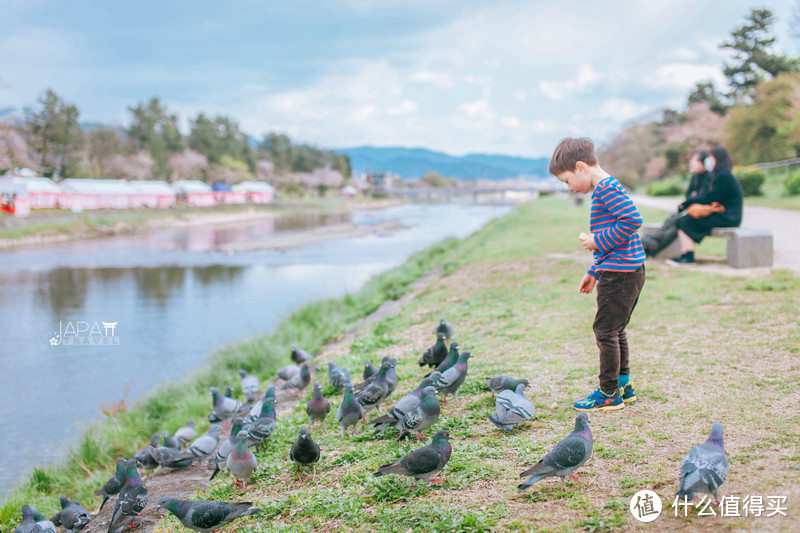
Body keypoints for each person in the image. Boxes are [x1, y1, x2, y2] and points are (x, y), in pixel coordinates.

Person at [549, 138, 646, 412]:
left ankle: (608, 393)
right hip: (624, 270)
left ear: (581, 168)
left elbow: (633, 221)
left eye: (567, 181)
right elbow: (619, 239)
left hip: (620, 274)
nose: (569, 188)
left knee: (604, 331)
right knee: (616, 329)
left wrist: (597, 240)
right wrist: (594, 271)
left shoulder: (605, 189)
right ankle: (623, 385)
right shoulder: (608, 187)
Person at [669, 146, 743, 264]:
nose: (708, 160)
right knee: (684, 220)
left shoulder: (724, 176)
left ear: (717, 158)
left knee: (684, 221)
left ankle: (688, 256)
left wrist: (689, 202)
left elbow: (712, 197)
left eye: (710, 157)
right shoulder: (721, 175)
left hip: (728, 217)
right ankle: (686, 254)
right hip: (723, 215)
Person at [641, 150, 712, 256]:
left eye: (695, 161)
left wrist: (693, 198)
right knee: (672, 218)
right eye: (691, 161)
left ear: (704, 163)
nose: (691, 163)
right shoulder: (695, 177)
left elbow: (703, 198)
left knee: (678, 222)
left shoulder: (709, 177)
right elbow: (689, 194)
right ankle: (652, 240)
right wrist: (693, 198)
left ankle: (653, 244)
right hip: (691, 210)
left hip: (700, 214)